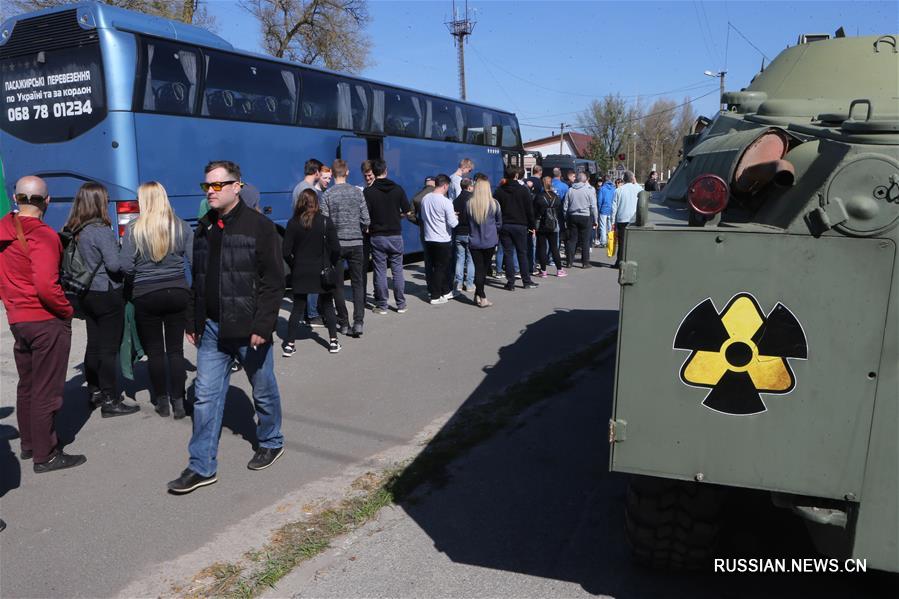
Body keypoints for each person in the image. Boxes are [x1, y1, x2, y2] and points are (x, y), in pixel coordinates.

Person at [168, 160, 285, 494]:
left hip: (250, 329)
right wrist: (193, 320)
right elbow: (198, 280)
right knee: (204, 396)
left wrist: (264, 324)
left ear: (238, 186)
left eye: (218, 185)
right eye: (207, 185)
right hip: (212, 330)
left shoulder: (260, 227)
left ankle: (271, 439)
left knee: (262, 389)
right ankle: (201, 466)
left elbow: (274, 282)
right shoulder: (204, 228)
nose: (211, 191)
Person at [0, 176, 84, 473]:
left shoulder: (3, 230)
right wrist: (66, 310)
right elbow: (47, 286)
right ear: (46, 201)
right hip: (44, 318)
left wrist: (11, 302)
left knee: (28, 384)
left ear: (15, 198)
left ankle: (29, 444)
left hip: (18, 318)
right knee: (46, 390)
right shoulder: (43, 235)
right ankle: (45, 454)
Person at [64, 182, 140, 417]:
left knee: (94, 344)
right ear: (98, 202)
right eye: (105, 199)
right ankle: (110, 399)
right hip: (106, 292)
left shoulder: (73, 228)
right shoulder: (99, 230)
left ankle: (95, 391)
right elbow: (115, 265)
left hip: (85, 293)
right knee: (109, 348)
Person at [120, 181, 193, 419]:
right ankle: (179, 401)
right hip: (177, 291)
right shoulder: (181, 226)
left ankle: (162, 401)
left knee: (155, 351)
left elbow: (126, 265)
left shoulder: (134, 229)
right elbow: (194, 261)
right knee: (175, 350)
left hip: (146, 294)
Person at [283, 189, 342, 354]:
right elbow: (336, 248)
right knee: (328, 305)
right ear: (316, 202)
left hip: (300, 271)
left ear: (300, 202)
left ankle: (289, 344)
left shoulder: (293, 223)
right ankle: (333, 342)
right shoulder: (325, 221)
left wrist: (295, 264)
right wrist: (330, 262)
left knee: (297, 308)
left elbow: (286, 252)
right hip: (322, 271)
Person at [320, 159, 369, 338]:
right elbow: (366, 219)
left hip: (337, 245)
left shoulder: (327, 195)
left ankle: (344, 322)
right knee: (357, 283)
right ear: (347, 172)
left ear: (332, 174)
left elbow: (324, 222)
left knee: (338, 285)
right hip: (356, 243)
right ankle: (359, 322)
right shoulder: (357, 193)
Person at [363, 159, 411, 315]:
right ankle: (401, 304)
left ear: (374, 173)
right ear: (386, 171)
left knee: (380, 271)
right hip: (395, 234)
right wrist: (396, 216)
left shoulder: (368, 192)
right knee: (397, 270)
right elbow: (407, 212)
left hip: (377, 236)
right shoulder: (398, 189)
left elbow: (365, 215)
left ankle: (382, 305)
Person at [494, 166, 538, 290]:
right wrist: (532, 225)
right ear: (516, 175)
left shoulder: (499, 191)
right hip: (520, 224)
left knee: (508, 253)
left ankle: (510, 282)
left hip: (505, 225)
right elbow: (529, 210)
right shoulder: (523, 190)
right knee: (522, 253)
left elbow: (495, 208)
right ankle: (526, 281)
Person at [292, 159, 324, 326]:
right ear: (317, 172)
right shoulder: (310, 191)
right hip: (310, 237)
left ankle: (306, 311)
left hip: (299, 238)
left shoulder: (298, 187)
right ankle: (312, 314)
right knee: (313, 278)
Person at [420, 174, 458, 304]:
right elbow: (453, 223)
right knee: (442, 268)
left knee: (433, 267)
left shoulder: (425, 198)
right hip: (442, 239)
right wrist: (455, 217)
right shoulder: (446, 201)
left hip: (428, 237)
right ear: (445, 185)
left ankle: (445, 292)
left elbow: (424, 218)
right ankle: (436, 296)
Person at [467, 180, 502, 308]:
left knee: (479, 269)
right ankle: (482, 297)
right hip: (490, 241)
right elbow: (499, 223)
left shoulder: (469, 204)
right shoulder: (494, 204)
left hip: (474, 241)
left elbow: (465, 222)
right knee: (483, 269)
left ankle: (477, 294)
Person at [563, 172, 598, 269]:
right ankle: (585, 262)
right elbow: (593, 206)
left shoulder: (570, 190)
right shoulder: (589, 190)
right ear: (585, 180)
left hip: (572, 216)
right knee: (585, 240)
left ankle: (569, 262)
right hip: (585, 216)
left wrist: (566, 217)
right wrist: (596, 219)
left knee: (572, 240)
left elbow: (565, 206)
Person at [535, 176, 566, 277]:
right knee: (554, 248)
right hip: (553, 224)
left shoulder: (539, 197)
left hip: (541, 224)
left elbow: (534, 211)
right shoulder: (556, 197)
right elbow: (559, 211)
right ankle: (559, 269)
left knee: (542, 248)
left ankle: (543, 271)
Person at [611, 170, 642, 269]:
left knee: (621, 243)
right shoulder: (638, 189)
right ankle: (632, 261)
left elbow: (614, 208)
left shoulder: (618, 190)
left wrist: (612, 221)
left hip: (622, 219)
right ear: (633, 179)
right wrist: (635, 181)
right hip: (634, 219)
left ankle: (619, 262)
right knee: (633, 242)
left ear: (623, 179)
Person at [452, 178, 475, 292]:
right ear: (469, 187)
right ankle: (470, 284)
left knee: (460, 259)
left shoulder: (455, 201)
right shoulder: (472, 200)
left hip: (458, 232)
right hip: (470, 232)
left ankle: (458, 284)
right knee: (470, 260)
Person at [359, 160, 375, 305]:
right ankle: (362, 297)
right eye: (365, 176)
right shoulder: (363, 191)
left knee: (378, 265)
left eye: (369, 175)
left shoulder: (375, 191)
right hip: (365, 233)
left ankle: (378, 295)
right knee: (363, 266)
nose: (368, 178)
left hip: (376, 232)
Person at [597, 176, 615, 248]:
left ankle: (603, 242)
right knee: (610, 226)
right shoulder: (614, 189)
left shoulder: (602, 189)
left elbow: (599, 200)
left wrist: (599, 208)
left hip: (603, 209)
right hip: (611, 210)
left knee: (603, 226)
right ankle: (610, 241)